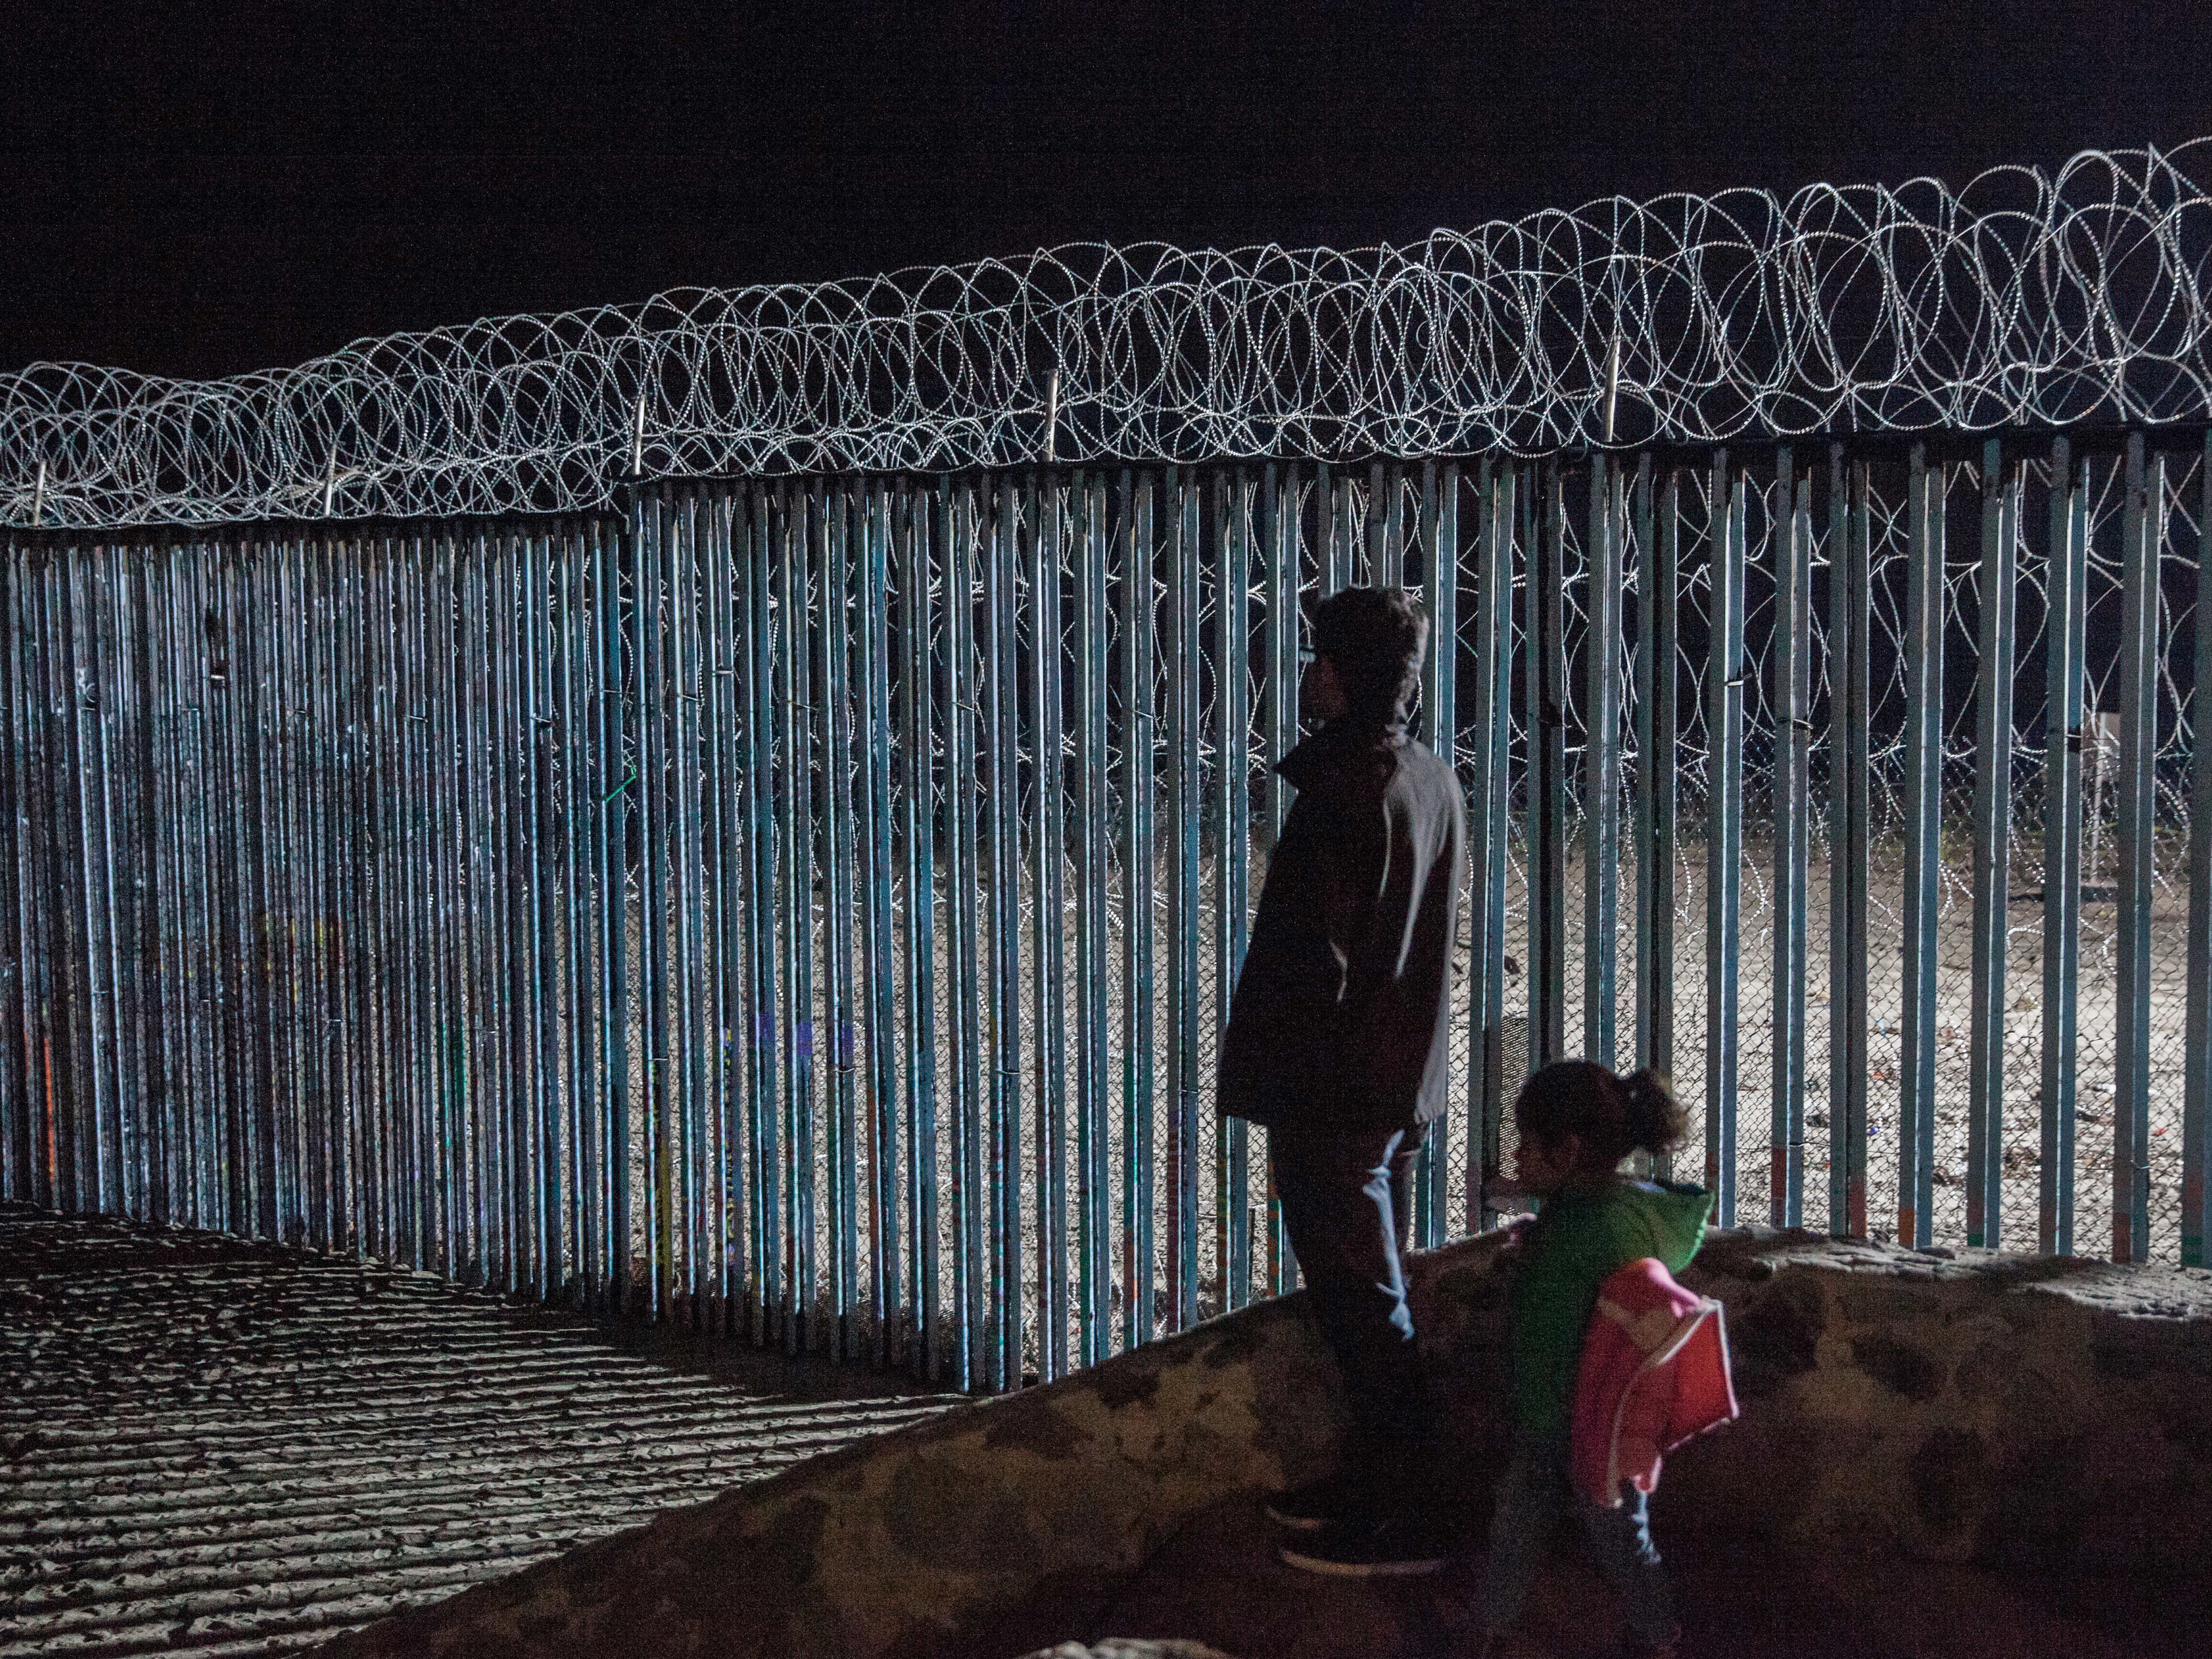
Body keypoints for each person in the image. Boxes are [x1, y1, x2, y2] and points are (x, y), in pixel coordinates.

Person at [1216, 585, 1466, 1577]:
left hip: (1333, 1098)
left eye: (1322, 656)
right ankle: (1374, 1486)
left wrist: (1279, 1090)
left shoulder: (1341, 794)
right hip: (1394, 1087)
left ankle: (1409, 1516)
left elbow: (1303, 964)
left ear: (1352, 673)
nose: (1307, 671)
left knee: (1365, 1312)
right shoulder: (1427, 778)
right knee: (1374, 1298)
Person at [1477, 1061, 1713, 1659]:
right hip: (1581, 1419)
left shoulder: (1591, 1224)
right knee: (1579, 1530)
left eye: (1529, 1143)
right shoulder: (1607, 1209)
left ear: (1569, 1149)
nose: (1519, 1156)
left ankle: (1658, 1635)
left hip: (1586, 1425)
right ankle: (1493, 1626)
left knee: (1588, 1533)